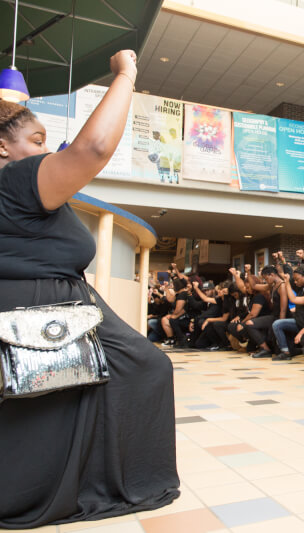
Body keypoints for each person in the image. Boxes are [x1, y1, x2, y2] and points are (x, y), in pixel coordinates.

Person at [0, 51, 179, 528]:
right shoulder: (15, 179)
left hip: (49, 303)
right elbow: (94, 149)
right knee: (144, 369)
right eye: (36, 140)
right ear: (2, 148)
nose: (45, 149)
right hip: (45, 308)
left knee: (54, 401)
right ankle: (98, 482)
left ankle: (72, 480)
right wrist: (127, 74)